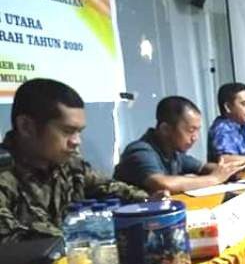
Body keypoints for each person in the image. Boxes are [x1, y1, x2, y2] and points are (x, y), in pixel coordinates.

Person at [0, 78, 150, 244]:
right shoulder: (5, 172)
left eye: (79, 132)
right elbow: (10, 240)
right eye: (67, 131)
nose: (76, 141)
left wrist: (149, 201)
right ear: (26, 126)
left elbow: (112, 188)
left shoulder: (69, 164)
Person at [114, 96, 245, 194]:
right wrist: (214, 179)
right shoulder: (141, 151)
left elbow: (202, 167)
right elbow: (163, 184)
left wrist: (227, 170)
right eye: (191, 130)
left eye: (198, 130)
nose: (195, 137)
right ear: (165, 129)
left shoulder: (173, 152)